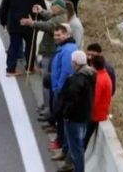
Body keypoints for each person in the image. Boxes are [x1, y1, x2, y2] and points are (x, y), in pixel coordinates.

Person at [21, 0, 67, 117]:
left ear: (59, 8)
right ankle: (46, 105)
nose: (51, 7)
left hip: (50, 53)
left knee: (47, 82)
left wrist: (32, 23)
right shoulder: (60, 16)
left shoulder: (59, 20)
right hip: (49, 52)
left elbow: (48, 25)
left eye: (53, 5)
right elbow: (50, 17)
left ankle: (47, 108)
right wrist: (41, 11)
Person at [0, 0, 46, 76]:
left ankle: (11, 69)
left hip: (14, 23)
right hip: (30, 22)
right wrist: (41, 20)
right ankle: (29, 67)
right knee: (31, 45)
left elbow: (4, 7)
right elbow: (41, 7)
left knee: (14, 46)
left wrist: (3, 22)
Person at [58, 50, 95, 172]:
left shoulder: (76, 80)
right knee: (78, 145)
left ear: (75, 63)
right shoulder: (91, 75)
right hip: (85, 116)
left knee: (76, 148)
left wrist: (65, 113)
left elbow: (70, 100)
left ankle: (78, 169)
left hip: (74, 118)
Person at [50, 24, 78, 156]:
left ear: (67, 35)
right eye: (55, 35)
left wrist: (58, 88)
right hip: (59, 88)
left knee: (61, 119)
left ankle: (62, 144)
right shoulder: (64, 47)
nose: (56, 37)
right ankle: (61, 143)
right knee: (59, 118)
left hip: (61, 90)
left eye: (59, 35)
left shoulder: (67, 50)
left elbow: (66, 71)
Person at [85, 53, 111, 149]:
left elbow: (94, 99)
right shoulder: (105, 76)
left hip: (94, 115)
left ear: (93, 65)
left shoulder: (99, 80)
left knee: (84, 138)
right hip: (101, 112)